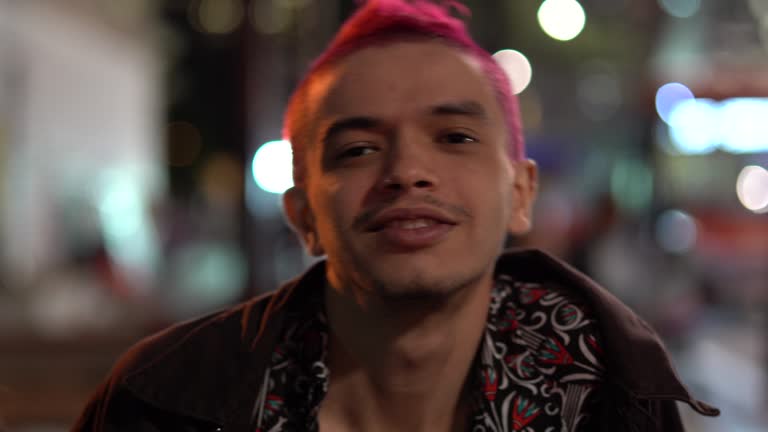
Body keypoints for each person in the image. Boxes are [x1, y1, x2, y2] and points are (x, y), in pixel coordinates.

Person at [72, 1, 719, 430]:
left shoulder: (610, 402)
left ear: (521, 193)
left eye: (455, 137)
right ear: (303, 213)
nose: (407, 171)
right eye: (358, 149)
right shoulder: (162, 402)